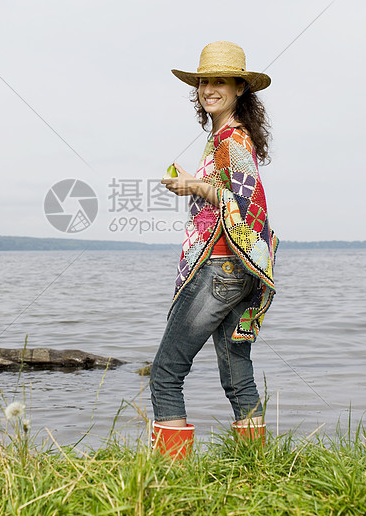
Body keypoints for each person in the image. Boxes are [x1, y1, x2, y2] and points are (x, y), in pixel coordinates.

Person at [150, 40, 278, 457]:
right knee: (237, 372)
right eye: (205, 81)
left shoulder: (232, 141)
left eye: (220, 81)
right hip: (240, 271)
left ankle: (170, 476)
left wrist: (195, 186)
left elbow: (245, 202)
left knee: (166, 372)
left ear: (240, 88)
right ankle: (257, 466)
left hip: (219, 267)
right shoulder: (223, 137)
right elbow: (230, 192)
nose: (209, 88)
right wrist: (197, 181)